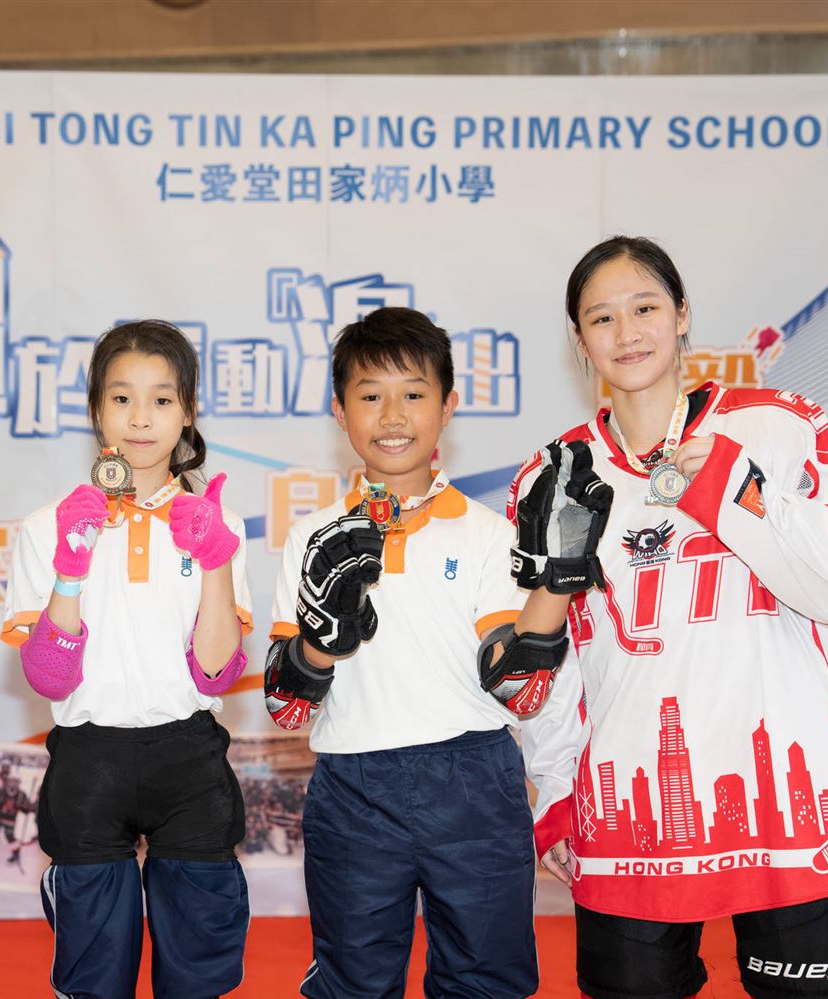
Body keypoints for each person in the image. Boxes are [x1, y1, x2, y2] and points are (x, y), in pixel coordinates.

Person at [518, 236, 828, 999]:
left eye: (645, 307)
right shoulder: (555, 476)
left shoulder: (779, 425)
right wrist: (554, 793)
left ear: (682, 314)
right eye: (602, 318)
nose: (627, 333)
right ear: (579, 338)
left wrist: (730, 484)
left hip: (790, 810)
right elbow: (554, 656)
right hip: (630, 810)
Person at [265, 306, 568, 998]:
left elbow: (519, 687)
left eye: (414, 393)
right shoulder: (313, 538)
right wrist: (322, 636)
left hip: (474, 780)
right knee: (353, 981)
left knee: (485, 979)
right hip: (352, 786)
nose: (393, 415)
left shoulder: (491, 534)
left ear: (448, 406)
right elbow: (287, 708)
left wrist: (559, 579)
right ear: (340, 412)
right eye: (371, 395)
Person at [2, 319, 253, 999]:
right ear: (95, 409)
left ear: (188, 410)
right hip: (89, 761)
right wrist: (70, 567)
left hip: (189, 756)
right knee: (94, 968)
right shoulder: (48, 524)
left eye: (162, 399)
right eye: (121, 398)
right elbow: (49, 676)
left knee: (198, 965)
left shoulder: (215, 524)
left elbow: (215, 671)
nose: (141, 418)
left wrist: (215, 558)